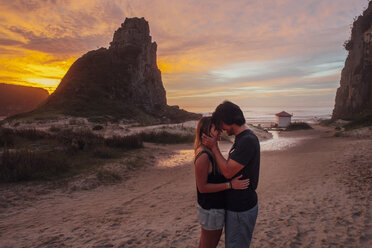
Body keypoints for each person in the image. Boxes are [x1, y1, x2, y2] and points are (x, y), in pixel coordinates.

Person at [202, 101, 260, 248]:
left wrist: (214, 147)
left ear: (226, 121)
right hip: (237, 208)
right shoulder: (242, 139)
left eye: (221, 124)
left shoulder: (247, 141)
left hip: (241, 208)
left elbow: (227, 171)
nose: (221, 129)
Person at [194, 116, 250, 248]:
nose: (220, 131)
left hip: (213, 209)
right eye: (215, 128)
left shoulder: (211, 151)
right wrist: (230, 185)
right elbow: (202, 188)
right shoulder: (203, 156)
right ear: (206, 131)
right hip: (211, 211)